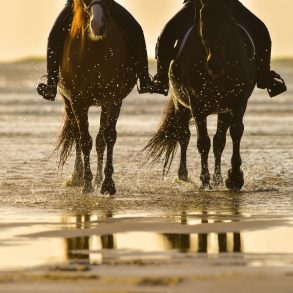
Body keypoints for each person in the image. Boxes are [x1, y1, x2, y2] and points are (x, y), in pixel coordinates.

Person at [153, 0, 287, 97]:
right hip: (197, 3)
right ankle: (161, 77)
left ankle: (264, 76)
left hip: (228, 4)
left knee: (261, 31)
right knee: (167, 33)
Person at [37, 0, 153, 101]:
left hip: (106, 3)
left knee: (136, 29)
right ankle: (51, 83)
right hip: (78, 4)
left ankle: (144, 78)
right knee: (54, 35)